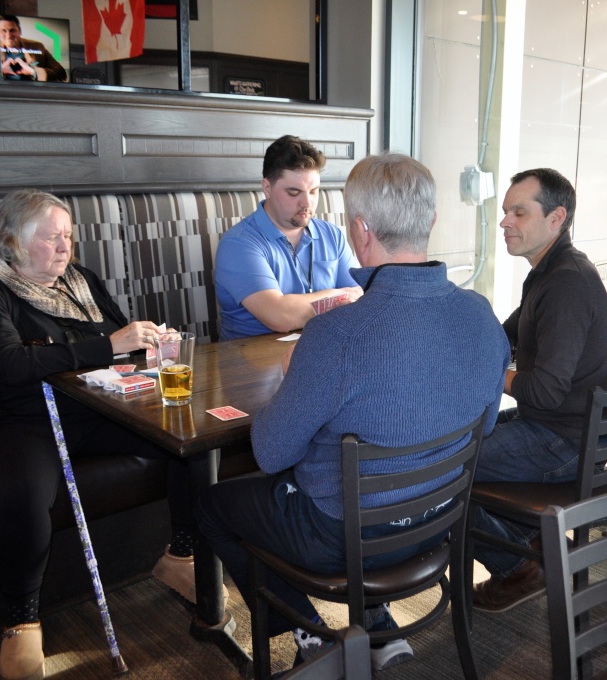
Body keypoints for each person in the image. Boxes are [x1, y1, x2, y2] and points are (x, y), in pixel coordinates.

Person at [197, 152, 510, 671]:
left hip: (342, 539)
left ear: (359, 230)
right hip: (439, 521)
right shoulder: (482, 314)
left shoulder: (335, 336)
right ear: (431, 220)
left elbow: (270, 454)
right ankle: (377, 623)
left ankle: (310, 636)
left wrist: (295, 377)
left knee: (212, 505)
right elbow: (488, 424)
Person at [0, 190, 208, 680]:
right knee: (22, 491)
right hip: (22, 421)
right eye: (51, 237)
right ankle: (21, 620)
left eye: (69, 235)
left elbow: (121, 344)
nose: (65, 247)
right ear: (12, 242)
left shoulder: (83, 281)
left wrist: (151, 344)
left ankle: (180, 555)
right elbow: (9, 365)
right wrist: (109, 345)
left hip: (98, 408)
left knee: (186, 438)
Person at [471, 168, 607, 613]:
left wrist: (490, 374)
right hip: (564, 428)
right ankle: (539, 547)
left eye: (519, 212)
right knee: (456, 446)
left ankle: (520, 567)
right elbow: (505, 337)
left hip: (565, 442)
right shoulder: (547, 272)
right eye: (505, 211)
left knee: (441, 467)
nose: (504, 221)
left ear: (557, 218)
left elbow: (545, 391)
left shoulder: (566, 283)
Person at [214, 135, 363, 339]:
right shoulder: (238, 244)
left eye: (313, 191)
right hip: (254, 356)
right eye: (294, 192)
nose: (307, 203)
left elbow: (362, 296)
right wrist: (339, 296)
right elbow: (280, 316)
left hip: (322, 349)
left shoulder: (332, 235)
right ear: (267, 188)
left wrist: (343, 297)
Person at [0, 15, 68, 82]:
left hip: (33, 94)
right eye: (3, 31)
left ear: (20, 31)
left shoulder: (37, 46)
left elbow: (61, 73)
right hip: (1, 94)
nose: (8, 35)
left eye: (12, 30)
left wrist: (32, 71)